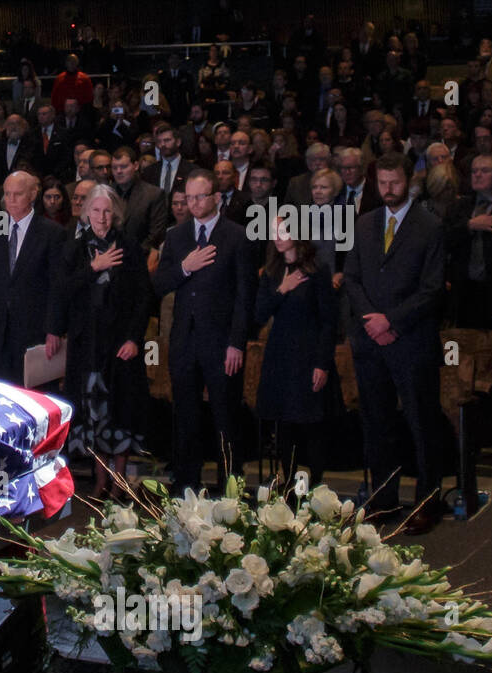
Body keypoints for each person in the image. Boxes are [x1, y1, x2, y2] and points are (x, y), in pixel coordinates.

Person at [344, 153, 445, 535]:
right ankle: (382, 500)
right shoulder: (364, 223)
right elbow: (351, 278)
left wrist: (392, 321)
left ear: (409, 181)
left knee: (421, 424)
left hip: (411, 340)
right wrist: (372, 320)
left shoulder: (430, 226)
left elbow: (433, 289)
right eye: (382, 182)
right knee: (377, 423)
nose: (388, 189)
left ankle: (426, 502)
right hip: (370, 342)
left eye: (395, 182)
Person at [151, 169, 257, 492]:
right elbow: (159, 284)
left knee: (225, 417)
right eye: (189, 198)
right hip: (184, 341)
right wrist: (186, 267)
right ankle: (187, 484)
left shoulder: (237, 236)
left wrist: (237, 343)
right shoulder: (177, 236)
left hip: (223, 343)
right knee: (185, 416)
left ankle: (230, 488)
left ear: (216, 198)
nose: (194, 204)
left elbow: (245, 296)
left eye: (201, 197)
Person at [51, 184, 150, 498]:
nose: (102, 217)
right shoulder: (75, 247)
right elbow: (61, 291)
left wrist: (135, 338)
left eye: (107, 211)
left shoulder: (130, 246)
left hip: (120, 346)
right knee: (93, 412)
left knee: (119, 411)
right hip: (87, 345)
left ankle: (119, 483)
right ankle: (99, 479)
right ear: (86, 212)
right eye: (96, 210)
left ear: (115, 213)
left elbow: (143, 297)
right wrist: (94, 267)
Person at [254, 221, 340, 487]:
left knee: (311, 423)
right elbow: (258, 314)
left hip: (308, 354)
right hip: (280, 354)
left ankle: (315, 484)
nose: (278, 238)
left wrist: (322, 363)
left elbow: (328, 322)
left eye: (283, 232)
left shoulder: (317, 271)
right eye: (274, 234)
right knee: (284, 422)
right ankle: (288, 480)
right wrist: (283, 289)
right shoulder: (271, 272)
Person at [0, 171, 69, 385]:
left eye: (17, 194)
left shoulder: (52, 233)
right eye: (7, 194)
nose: (11, 200)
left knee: (36, 395)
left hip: (35, 331)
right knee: (1, 394)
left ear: (33, 194)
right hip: (0, 331)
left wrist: (54, 329)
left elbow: (58, 286)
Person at [446, 153, 492, 329]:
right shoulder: (459, 206)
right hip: (465, 291)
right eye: (474, 171)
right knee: (464, 348)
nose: (477, 175)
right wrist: (470, 225)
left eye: (484, 170)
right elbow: (443, 239)